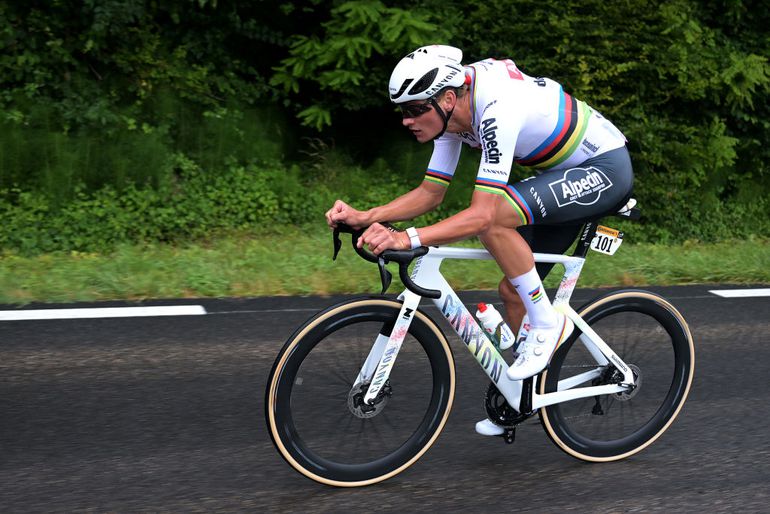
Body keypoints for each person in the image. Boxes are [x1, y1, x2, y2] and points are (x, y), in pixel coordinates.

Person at [325, 45, 633, 436]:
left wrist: (406, 238)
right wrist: (367, 216)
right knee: (512, 289)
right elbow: (431, 193)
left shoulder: (495, 107)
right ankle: (526, 397)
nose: (407, 120)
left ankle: (545, 325)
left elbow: (483, 215)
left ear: (447, 98)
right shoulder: (450, 115)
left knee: (493, 217)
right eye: (402, 111)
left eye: (414, 109)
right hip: (560, 175)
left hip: (603, 167)